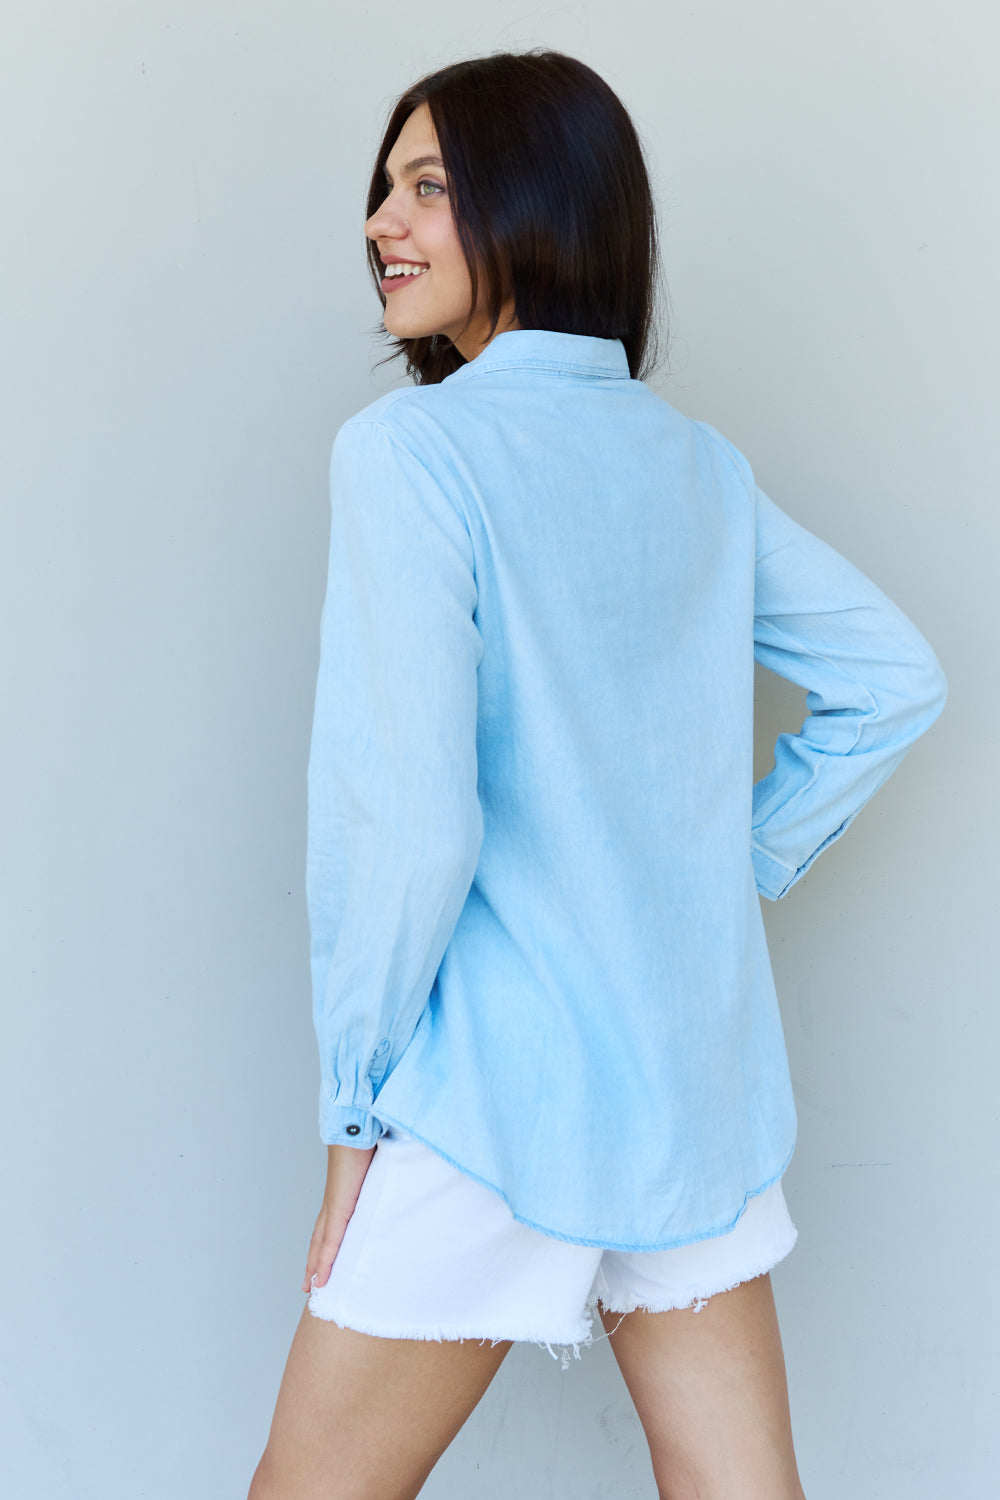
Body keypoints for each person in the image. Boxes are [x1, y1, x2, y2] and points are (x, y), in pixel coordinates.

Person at [248, 48, 946, 1500]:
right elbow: (894, 677)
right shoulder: (695, 465)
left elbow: (411, 824)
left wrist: (352, 1115)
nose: (382, 220)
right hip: (693, 1088)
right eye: (384, 187)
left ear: (542, 204)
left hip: (497, 1097)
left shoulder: (409, 457)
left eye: (431, 186)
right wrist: (720, 868)